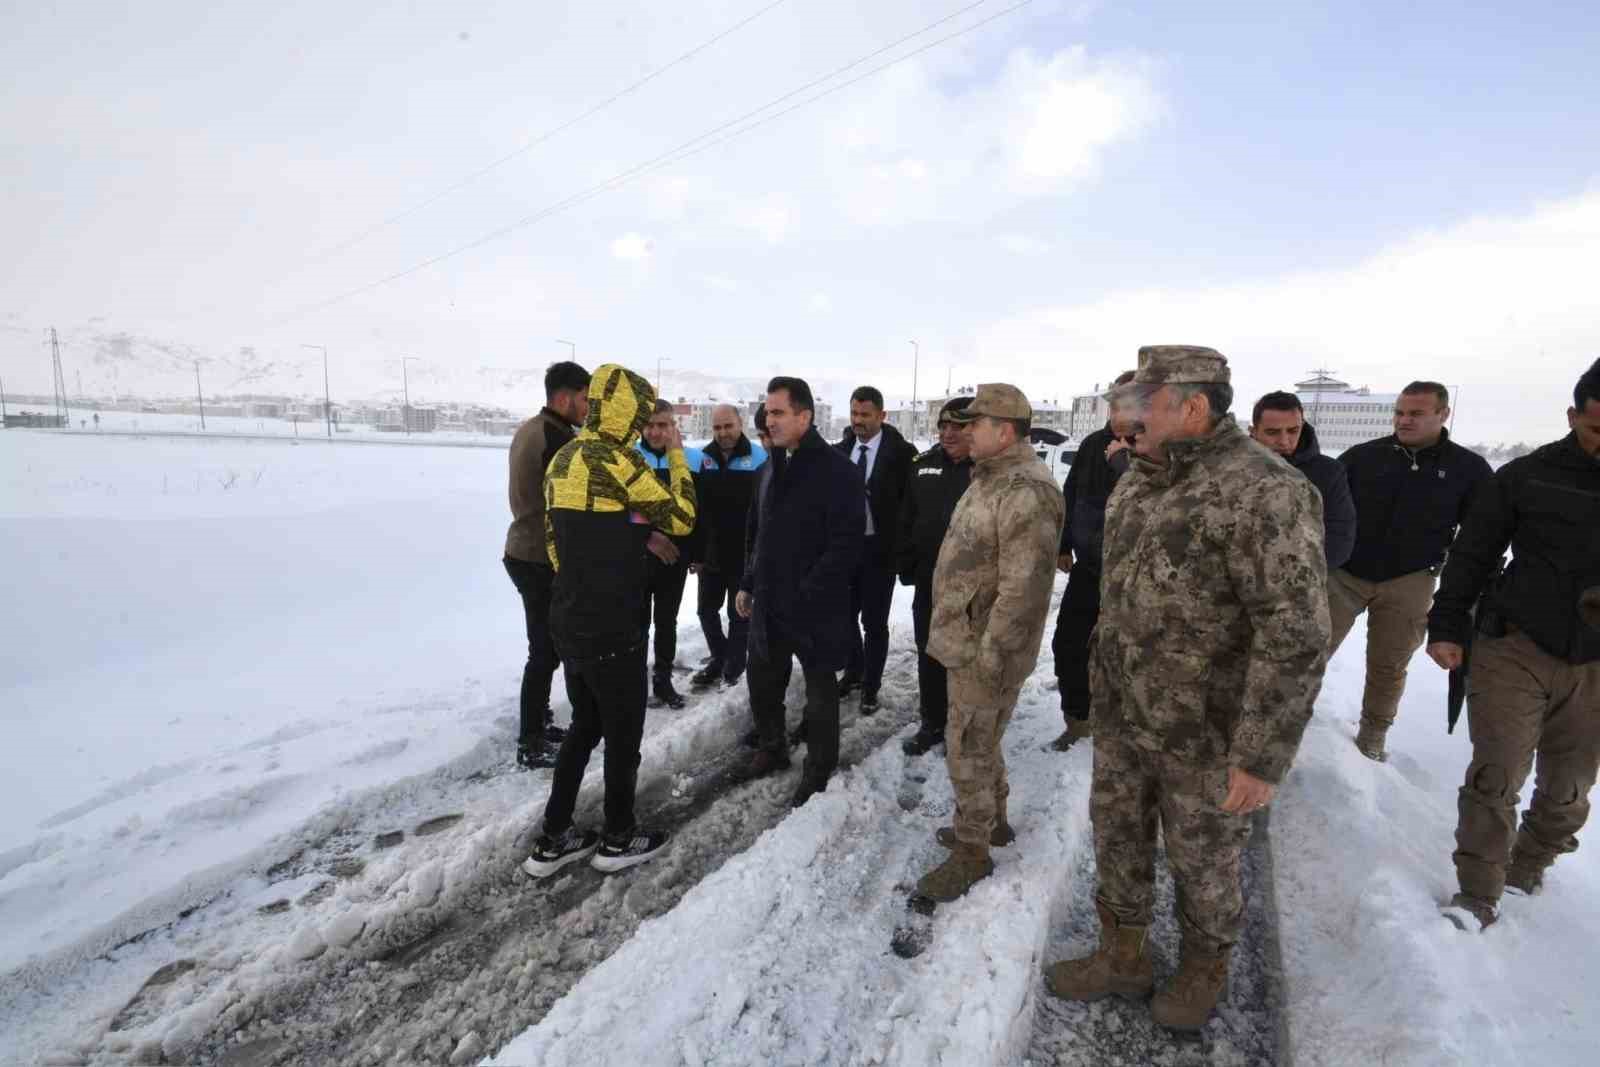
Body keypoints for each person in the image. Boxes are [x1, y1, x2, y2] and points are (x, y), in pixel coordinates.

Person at [1045, 346, 1329, 1032]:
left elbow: (1294, 631)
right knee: (1117, 836)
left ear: (1194, 405)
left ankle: (1205, 965)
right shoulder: (1141, 477)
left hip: (1204, 727)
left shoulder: (1267, 490)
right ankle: (1123, 951)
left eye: (1146, 402)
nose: (1129, 417)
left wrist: (1261, 754)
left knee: (1202, 857)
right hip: (1123, 710)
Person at [1426, 358, 1600, 931]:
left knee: (1569, 792)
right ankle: (1478, 891)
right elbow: (1474, 553)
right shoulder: (1526, 476)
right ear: (1573, 416)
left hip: (1594, 662)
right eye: (1596, 427)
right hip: (1517, 644)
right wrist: (1447, 624)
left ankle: (1529, 865)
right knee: (1496, 773)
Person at [521, 365, 697, 877]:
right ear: (630, 413)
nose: (645, 426)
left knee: (584, 724)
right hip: (613, 623)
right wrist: (679, 453)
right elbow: (682, 515)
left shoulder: (565, 458)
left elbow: (557, 542)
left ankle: (555, 836)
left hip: (567, 616)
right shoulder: (620, 461)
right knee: (623, 734)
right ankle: (618, 837)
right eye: (642, 415)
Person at [914, 384, 1064, 903]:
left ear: (1003, 431)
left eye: (973, 424)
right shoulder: (992, 478)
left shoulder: (1026, 490)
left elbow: (1024, 591)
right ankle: (994, 821)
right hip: (968, 640)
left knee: (967, 749)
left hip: (987, 650)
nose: (962, 432)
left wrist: (992, 659)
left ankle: (971, 851)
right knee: (981, 741)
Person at [1332, 382, 1493, 761]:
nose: (1405, 420)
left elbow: (1481, 534)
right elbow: (1329, 513)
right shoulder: (1361, 457)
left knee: (1389, 665)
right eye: (1400, 412)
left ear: (1443, 414)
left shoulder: (1468, 469)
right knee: (1306, 650)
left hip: (1411, 580)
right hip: (1344, 575)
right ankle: (1291, 720)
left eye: (1416, 413)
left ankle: (1373, 734)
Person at [738, 376, 865, 807]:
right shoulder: (771, 466)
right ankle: (773, 748)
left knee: (820, 693)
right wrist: (748, 583)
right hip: (769, 602)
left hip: (815, 607)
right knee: (763, 683)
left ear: (804, 416)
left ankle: (818, 769)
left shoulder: (838, 472)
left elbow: (846, 545)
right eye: (767, 412)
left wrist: (808, 592)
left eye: (777, 413)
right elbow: (758, 534)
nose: (768, 421)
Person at [503, 361, 590, 769]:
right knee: (543, 652)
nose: (588, 408)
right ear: (564, 398)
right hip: (538, 556)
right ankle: (530, 741)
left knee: (547, 648)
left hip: (523, 550)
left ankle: (537, 721)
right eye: (586, 399)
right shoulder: (556, 438)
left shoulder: (532, 428)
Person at [1050, 369, 1137, 752]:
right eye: (1116, 403)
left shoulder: (1159, 451)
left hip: (1136, 579)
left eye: (1130, 404)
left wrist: (1127, 460)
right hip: (1089, 570)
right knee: (1068, 644)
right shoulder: (1090, 446)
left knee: (1126, 657)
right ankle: (1078, 721)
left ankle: (1123, 732)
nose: (1120, 411)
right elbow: (1073, 495)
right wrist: (1063, 544)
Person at [895, 397, 975, 756]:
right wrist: (907, 563)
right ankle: (933, 722)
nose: (947, 433)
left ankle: (967, 725)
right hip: (930, 579)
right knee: (929, 650)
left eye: (957, 426)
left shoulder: (988, 471)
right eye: (943, 426)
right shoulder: (922, 466)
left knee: (967, 656)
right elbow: (907, 517)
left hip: (973, 585)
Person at [835, 386, 917, 713]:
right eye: (854, 414)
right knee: (844, 616)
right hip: (846, 551)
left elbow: (910, 505)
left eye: (865, 415)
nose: (858, 421)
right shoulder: (841, 451)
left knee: (874, 622)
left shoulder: (902, 454)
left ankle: (871, 686)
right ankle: (854, 671)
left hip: (879, 553)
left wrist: (901, 546)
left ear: (882, 416)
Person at [689, 404, 768, 691]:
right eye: (717, 427)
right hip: (711, 553)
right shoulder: (703, 458)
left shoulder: (759, 457)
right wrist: (696, 552)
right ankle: (721, 658)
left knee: (739, 615)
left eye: (728, 426)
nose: (723, 433)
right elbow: (696, 509)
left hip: (744, 554)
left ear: (740, 424)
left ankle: (734, 667)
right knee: (705, 611)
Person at [635, 399, 701, 710]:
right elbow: (620, 510)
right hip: (636, 555)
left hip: (675, 556)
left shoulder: (690, 460)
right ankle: (636, 686)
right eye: (649, 425)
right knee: (635, 624)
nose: (655, 432)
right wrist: (647, 536)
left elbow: (699, 511)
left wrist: (696, 553)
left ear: (673, 426)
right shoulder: (629, 459)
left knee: (666, 621)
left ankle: (663, 681)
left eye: (663, 425)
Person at [1248, 391, 1356, 569]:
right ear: (1253, 431)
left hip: (1302, 583)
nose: (1284, 441)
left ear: (1302, 426)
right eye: (1272, 432)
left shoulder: (1329, 472)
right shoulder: (1230, 470)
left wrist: (1300, 576)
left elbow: (1340, 535)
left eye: (1292, 431)